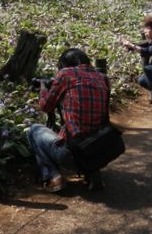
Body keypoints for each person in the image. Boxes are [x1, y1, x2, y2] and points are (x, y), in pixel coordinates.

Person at [27, 48, 111, 192]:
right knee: (87, 131)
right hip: (100, 152)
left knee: (34, 130)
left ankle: (53, 177)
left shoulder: (66, 74)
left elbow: (45, 106)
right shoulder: (102, 77)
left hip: (73, 153)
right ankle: (93, 173)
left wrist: (43, 87)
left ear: (65, 65)